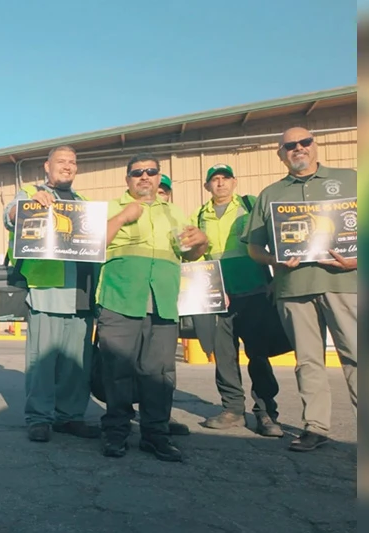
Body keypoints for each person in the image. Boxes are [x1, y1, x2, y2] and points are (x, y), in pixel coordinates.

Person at [243, 127, 358, 452]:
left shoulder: (351, 180)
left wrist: (357, 260)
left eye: (304, 142)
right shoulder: (270, 194)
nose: (298, 148)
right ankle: (315, 427)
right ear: (280, 154)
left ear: (314, 145)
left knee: (357, 355)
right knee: (307, 361)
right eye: (289, 145)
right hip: (293, 288)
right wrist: (275, 260)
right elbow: (254, 247)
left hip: (345, 284)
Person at [97, 153, 208, 462]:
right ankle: (116, 431)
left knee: (159, 373)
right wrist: (123, 217)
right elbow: (91, 246)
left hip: (162, 302)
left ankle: (155, 434)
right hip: (120, 299)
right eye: (137, 173)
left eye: (150, 171)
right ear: (127, 179)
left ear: (159, 177)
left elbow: (190, 254)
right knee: (117, 371)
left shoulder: (174, 212)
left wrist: (202, 240)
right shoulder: (111, 208)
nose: (144, 176)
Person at [2, 145, 101, 443]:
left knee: (77, 364)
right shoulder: (30, 193)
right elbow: (10, 216)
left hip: (81, 292)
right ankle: (39, 418)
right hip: (47, 291)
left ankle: (70, 417)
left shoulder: (84, 204)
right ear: (47, 166)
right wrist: (27, 205)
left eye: (72, 162)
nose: (67, 166)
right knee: (42, 362)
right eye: (61, 161)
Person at [190, 164, 282, 437]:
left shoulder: (250, 205)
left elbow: (277, 238)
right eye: (214, 180)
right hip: (219, 297)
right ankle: (232, 410)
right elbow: (194, 256)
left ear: (235, 182)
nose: (220, 183)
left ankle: (266, 412)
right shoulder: (198, 215)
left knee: (258, 354)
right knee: (224, 357)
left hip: (254, 290)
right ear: (207, 186)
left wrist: (277, 278)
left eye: (225, 178)